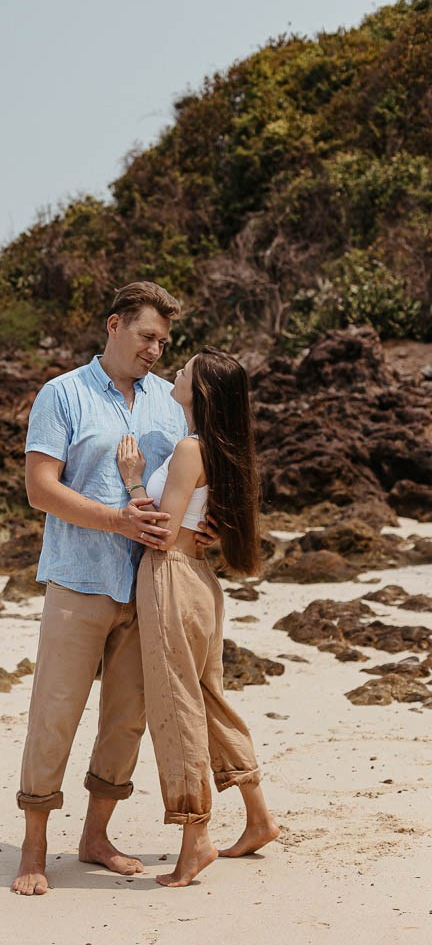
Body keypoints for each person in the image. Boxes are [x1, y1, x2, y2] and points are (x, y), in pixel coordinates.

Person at [12, 281, 191, 897]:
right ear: (114, 326)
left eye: (163, 342)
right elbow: (40, 488)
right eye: (147, 337)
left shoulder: (172, 402)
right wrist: (117, 518)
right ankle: (33, 848)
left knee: (125, 721)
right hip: (79, 579)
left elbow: (189, 479)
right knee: (54, 716)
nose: (156, 351)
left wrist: (205, 525)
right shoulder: (61, 395)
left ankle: (95, 837)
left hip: (149, 587)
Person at [116, 348, 279, 887]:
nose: (176, 372)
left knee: (177, 703)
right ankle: (258, 818)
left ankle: (195, 837)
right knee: (205, 697)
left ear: (201, 391)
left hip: (170, 576)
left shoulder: (190, 448)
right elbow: (203, 520)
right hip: (199, 580)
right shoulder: (220, 449)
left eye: (185, 370)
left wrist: (134, 480)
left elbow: (161, 531)